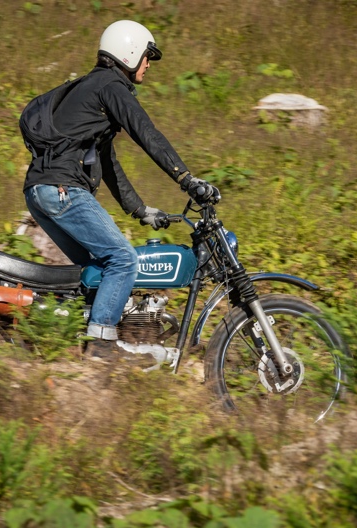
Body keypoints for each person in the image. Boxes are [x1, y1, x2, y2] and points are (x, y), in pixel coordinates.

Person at [23, 20, 220, 359]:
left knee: (98, 272)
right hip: (63, 189)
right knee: (123, 259)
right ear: (129, 53)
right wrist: (188, 180)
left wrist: (140, 210)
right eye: (147, 57)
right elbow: (147, 134)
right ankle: (100, 346)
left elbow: (108, 162)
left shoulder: (91, 89)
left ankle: (66, 336)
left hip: (40, 191)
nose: (148, 65)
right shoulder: (111, 87)